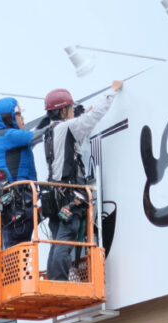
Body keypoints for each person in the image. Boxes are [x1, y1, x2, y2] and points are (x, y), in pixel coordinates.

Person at [43, 81, 122, 280]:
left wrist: (81, 112)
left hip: (54, 194)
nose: (71, 113)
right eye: (69, 109)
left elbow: (80, 122)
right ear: (62, 112)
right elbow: (92, 118)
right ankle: (60, 282)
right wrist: (111, 92)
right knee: (66, 238)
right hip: (70, 194)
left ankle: (54, 280)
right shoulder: (68, 127)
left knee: (57, 241)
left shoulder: (50, 132)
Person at [0, 98, 42, 249]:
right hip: (17, 205)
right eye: (18, 115)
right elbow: (37, 136)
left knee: (17, 249)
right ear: (8, 117)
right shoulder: (7, 135)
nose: (22, 118)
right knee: (17, 251)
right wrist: (60, 123)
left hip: (17, 205)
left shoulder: (0, 137)